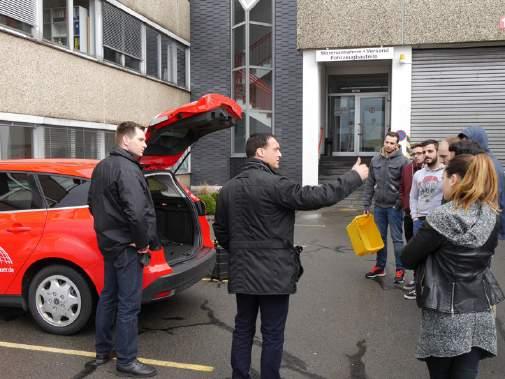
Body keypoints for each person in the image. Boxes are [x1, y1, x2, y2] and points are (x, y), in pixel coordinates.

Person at [213, 133, 368, 379]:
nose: (280, 153)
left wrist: (241, 251)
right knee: (272, 333)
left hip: (243, 271)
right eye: (276, 148)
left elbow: (220, 231)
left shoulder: (228, 188)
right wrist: (354, 177)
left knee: (243, 328)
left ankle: (239, 375)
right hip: (274, 274)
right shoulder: (276, 184)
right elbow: (318, 197)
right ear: (259, 152)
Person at [401, 153, 504, 379]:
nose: (442, 184)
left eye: (444, 178)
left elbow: (407, 258)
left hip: (446, 314)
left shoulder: (443, 216)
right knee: (468, 373)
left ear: (454, 179)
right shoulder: (491, 214)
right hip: (480, 310)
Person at [87, 121, 159, 377]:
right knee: (128, 304)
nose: (145, 143)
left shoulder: (102, 167)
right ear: (125, 141)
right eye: (141, 139)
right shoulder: (128, 169)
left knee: (108, 298)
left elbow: (92, 205)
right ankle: (127, 360)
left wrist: (110, 234)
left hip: (109, 245)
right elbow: (137, 213)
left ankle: (102, 352)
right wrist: (141, 244)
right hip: (127, 248)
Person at [363, 131, 408, 284]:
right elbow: (370, 183)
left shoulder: (403, 161)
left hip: (394, 208)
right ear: (384, 142)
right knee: (379, 239)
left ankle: (400, 269)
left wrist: (398, 204)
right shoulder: (375, 160)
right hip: (379, 207)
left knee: (397, 240)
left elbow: (405, 186)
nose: (388, 145)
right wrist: (366, 204)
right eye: (387, 142)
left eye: (392, 143)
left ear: (397, 145)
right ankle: (380, 267)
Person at [404, 140, 445, 300]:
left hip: (438, 222)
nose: (426, 155)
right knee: (418, 255)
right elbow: (413, 196)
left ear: (437, 152)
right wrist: (415, 216)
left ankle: (433, 288)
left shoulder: (446, 173)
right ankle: (418, 283)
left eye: (430, 151)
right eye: (425, 152)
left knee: (436, 257)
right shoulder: (418, 174)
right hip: (420, 221)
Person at [458, 126, 505, 239]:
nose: (464, 145)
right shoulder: (477, 161)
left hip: (492, 230)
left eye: (467, 141)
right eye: (462, 141)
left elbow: (492, 201)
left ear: (478, 142)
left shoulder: (487, 164)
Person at [400, 143, 425, 243]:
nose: (416, 156)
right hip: (409, 212)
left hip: (424, 214)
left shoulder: (429, 169)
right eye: (414, 154)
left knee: (422, 244)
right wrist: (404, 203)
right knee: (409, 241)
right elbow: (401, 187)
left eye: (419, 153)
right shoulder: (407, 168)